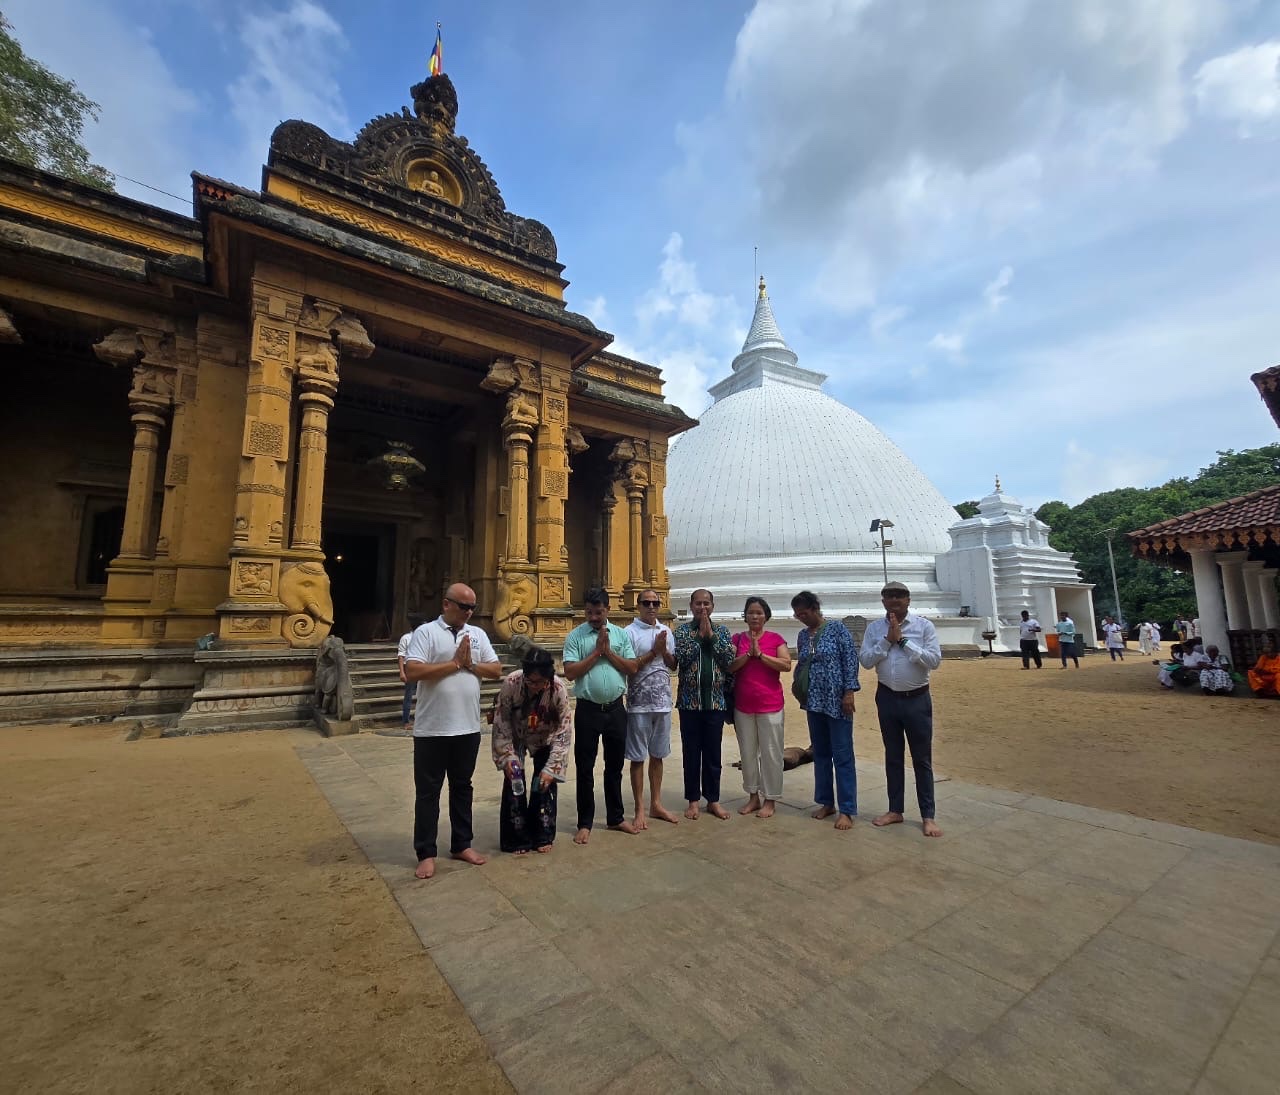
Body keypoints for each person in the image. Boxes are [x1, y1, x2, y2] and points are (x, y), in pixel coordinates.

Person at [404, 583, 502, 880]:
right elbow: (413, 671)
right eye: (464, 606)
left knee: (463, 788)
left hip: (467, 727)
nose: (469, 612)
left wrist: (470, 664)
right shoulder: (426, 633)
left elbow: (495, 670)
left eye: (473, 607)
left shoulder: (478, 634)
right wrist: (454, 663)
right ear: (446, 604)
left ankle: (462, 843)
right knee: (428, 793)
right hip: (432, 729)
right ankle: (426, 852)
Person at [860, 581, 943, 838]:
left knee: (922, 759)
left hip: (917, 699)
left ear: (908, 600)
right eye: (889, 596)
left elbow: (934, 661)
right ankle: (895, 809)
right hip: (887, 697)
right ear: (882, 601)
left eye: (899, 596)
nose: (894, 600)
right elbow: (865, 661)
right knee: (893, 756)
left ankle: (928, 815)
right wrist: (887, 641)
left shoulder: (924, 626)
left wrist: (904, 642)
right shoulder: (875, 628)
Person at [563, 587, 639, 844]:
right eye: (589, 613)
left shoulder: (620, 634)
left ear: (608, 609)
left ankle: (615, 817)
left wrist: (609, 652)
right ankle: (584, 822)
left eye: (598, 612)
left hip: (616, 709)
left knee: (614, 767)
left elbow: (632, 667)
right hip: (588, 710)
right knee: (585, 768)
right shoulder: (576, 636)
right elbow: (570, 672)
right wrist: (596, 653)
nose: (594, 617)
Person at [491, 647, 572, 854]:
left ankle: (542, 834)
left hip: (545, 737)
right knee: (515, 780)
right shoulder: (512, 683)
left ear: (548, 678)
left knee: (543, 784)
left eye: (539, 682)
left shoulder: (558, 689)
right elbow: (502, 722)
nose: (534, 686)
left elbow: (564, 731)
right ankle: (516, 838)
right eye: (530, 681)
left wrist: (552, 768)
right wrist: (507, 757)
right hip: (516, 736)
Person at [790, 590, 860, 831]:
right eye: (798, 615)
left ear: (815, 608)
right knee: (820, 753)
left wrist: (849, 692)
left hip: (837, 700)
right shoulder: (803, 635)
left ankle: (847, 809)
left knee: (842, 754)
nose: (802, 618)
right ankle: (826, 802)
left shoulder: (837, 629)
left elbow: (850, 660)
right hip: (814, 701)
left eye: (804, 613)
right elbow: (801, 663)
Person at [673, 588, 736, 820]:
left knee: (713, 753)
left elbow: (728, 661)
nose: (702, 608)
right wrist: (700, 637)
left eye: (706, 603)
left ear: (713, 606)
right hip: (689, 704)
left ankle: (713, 799)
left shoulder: (722, 631)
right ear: (691, 606)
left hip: (715, 703)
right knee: (691, 753)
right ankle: (693, 800)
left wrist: (712, 637)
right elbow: (681, 660)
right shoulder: (682, 632)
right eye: (698, 603)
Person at [728, 596, 791, 819]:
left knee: (771, 753)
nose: (754, 616)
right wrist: (748, 655)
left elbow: (786, 664)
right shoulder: (737, 639)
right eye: (750, 613)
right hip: (743, 705)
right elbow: (730, 666)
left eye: (759, 613)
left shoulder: (776, 639)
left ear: (766, 616)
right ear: (745, 616)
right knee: (747, 753)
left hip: (770, 705)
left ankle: (770, 798)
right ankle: (753, 795)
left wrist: (761, 655)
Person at [623, 589, 680, 829]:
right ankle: (639, 808)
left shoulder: (666, 631)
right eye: (646, 603)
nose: (651, 607)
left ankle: (656, 803)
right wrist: (653, 652)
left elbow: (673, 665)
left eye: (655, 603)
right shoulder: (629, 632)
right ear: (638, 605)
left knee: (658, 755)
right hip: (639, 704)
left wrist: (663, 651)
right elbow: (629, 667)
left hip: (663, 702)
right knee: (638, 757)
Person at [397, 626, 415, 733]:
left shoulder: (426, 637)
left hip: (422, 666)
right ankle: (406, 721)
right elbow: (401, 655)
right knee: (409, 694)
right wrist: (402, 672)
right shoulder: (406, 638)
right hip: (408, 667)